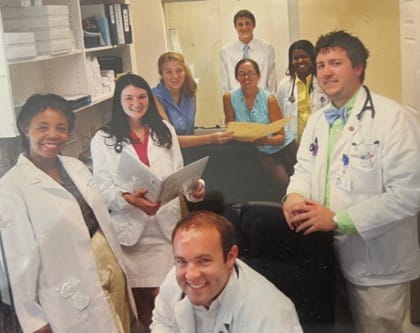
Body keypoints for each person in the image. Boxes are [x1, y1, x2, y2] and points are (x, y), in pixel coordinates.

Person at [283, 30, 420, 333]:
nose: (326, 72)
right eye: (321, 65)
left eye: (335, 63)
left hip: (377, 260)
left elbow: (409, 194)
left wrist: (338, 220)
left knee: (381, 327)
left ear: (358, 68)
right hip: (323, 255)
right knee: (338, 326)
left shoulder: (394, 119)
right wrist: (293, 197)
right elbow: (303, 169)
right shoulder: (319, 120)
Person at [0, 94, 135, 333]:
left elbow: (98, 215)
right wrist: (34, 321)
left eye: (61, 128)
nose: (53, 135)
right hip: (67, 289)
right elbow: (17, 261)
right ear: (25, 128)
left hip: (108, 267)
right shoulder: (11, 187)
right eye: (43, 127)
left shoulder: (75, 166)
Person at [90, 73, 206, 329]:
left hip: (165, 231)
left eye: (141, 96)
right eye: (128, 97)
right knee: (144, 310)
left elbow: (180, 176)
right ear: (118, 101)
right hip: (132, 236)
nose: (136, 102)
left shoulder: (165, 131)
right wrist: (128, 199)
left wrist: (195, 190)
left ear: (149, 99)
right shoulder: (103, 139)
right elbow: (103, 189)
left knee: (171, 301)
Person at [150, 210, 303, 332]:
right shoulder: (174, 280)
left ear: (230, 257)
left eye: (203, 261)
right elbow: (162, 322)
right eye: (181, 261)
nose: (191, 275)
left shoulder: (270, 314)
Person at [223, 58, 297, 198]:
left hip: (285, 146)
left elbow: (280, 137)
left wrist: (265, 140)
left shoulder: (269, 99)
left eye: (250, 73)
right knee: (283, 185)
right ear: (236, 77)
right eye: (242, 73)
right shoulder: (229, 97)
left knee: (302, 184)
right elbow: (230, 126)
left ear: (258, 76)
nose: (246, 77)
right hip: (262, 150)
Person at [153, 52, 234, 148]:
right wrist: (210, 139)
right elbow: (171, 139)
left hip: (189, 150)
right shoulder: (154, 97)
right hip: (167, 152)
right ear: (161, 74)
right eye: (169, 72)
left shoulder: (190, 92)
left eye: (179, 71)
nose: (175, 76)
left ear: (185, 71)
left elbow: (189, 132)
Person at [276, 40, 329, 143]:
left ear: (312, 58)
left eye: (304, 57)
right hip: (293, 142)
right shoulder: (284, 85)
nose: (300, 61)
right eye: (296, 58)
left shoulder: (323, 82)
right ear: (291, 61)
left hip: (321, 138)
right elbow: (279, 117)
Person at [220, 9, 277, 94]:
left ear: (254, 25)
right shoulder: (226, 51)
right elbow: (225, 85)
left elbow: (272, 81)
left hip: (261, 101)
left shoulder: (267, 49)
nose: (244, 28)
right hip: (236, 101)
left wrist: (270, 103)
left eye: (247, 23)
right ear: (235, 27)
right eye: (240, 24)